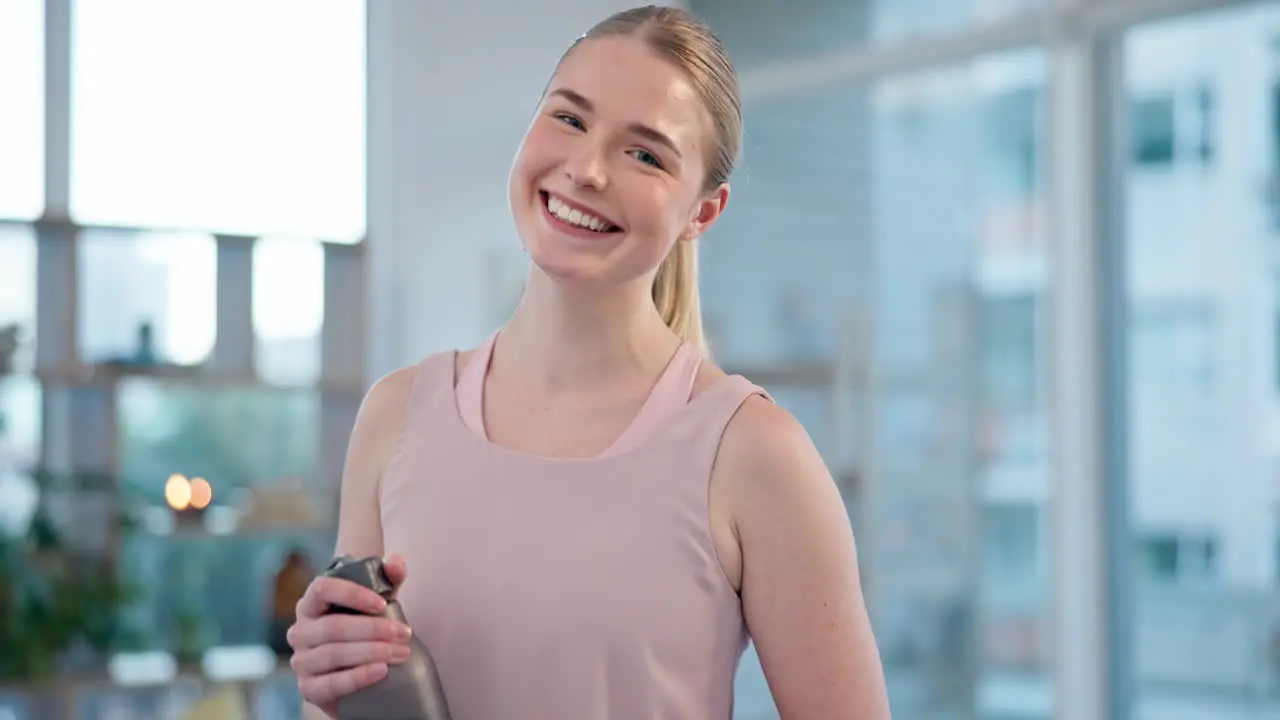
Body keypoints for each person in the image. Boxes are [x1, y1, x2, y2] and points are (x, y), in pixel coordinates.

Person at [286, 5, 890, 718]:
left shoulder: (753, 455)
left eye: (645, 154)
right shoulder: (395, 416)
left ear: (703, 213)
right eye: (569, 119)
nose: (586, 169)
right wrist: (330, 681)